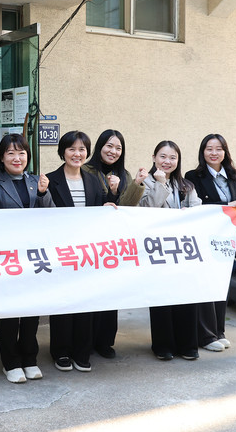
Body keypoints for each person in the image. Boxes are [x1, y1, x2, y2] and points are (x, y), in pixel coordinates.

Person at [0, 133, 55, 383]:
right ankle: (10, 362)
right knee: (10, 311)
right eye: (11, 153)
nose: (17, 158)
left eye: (21, 153)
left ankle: (30, 357)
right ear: (1, 157)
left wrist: (42, 193)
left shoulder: (36, 181)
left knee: (31, 309)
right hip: (8, 255)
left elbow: (50, 214)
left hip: (33, 255)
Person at [45, 131, 107, 373]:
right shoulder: (50, 180)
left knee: (85, 301)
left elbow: (100, 210)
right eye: (71, 149)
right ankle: (60, 352)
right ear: (63, 152)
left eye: (82, 149)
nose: (77, 154)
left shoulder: (93, 181)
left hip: (87, 252)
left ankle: (82, 352)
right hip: (62, 251)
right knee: (63, 302)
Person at [83, 129, 147, 359]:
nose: (113, 151)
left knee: (110, 295)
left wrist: (135, 184)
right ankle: (86, 341)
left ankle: (105, 342)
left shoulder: (124, 174)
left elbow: (126, 207)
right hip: (90, 243)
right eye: (109, 146)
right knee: (90, 295)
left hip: (114, 245)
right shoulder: (85, 171)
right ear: (100, 147)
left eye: (118, 148)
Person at [185, 134, 236, 353]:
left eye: (218, 149)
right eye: (209, 149)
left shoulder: (232, 175)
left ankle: (219, 331)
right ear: (202, 152)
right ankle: (206, 336)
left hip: (228, 240)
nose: (214, 153)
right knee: (206, 286)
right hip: (205, 239)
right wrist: (227, 205)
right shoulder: (193, 176)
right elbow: (197, 207)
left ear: (225, 152)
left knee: (222, 286)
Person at [139, 140, 201, 361]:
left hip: (183, 249)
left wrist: (188, 214)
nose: (167, 161)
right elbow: (147, 209)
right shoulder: (144, 181)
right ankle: (163, 345)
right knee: (162, 297)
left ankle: (187, 344)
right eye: (163, 156)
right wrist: (160, 184)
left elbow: (197, 210)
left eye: (172, 157)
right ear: (154, 158)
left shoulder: (187, 186)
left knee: (186, 295)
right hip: (157, 249)